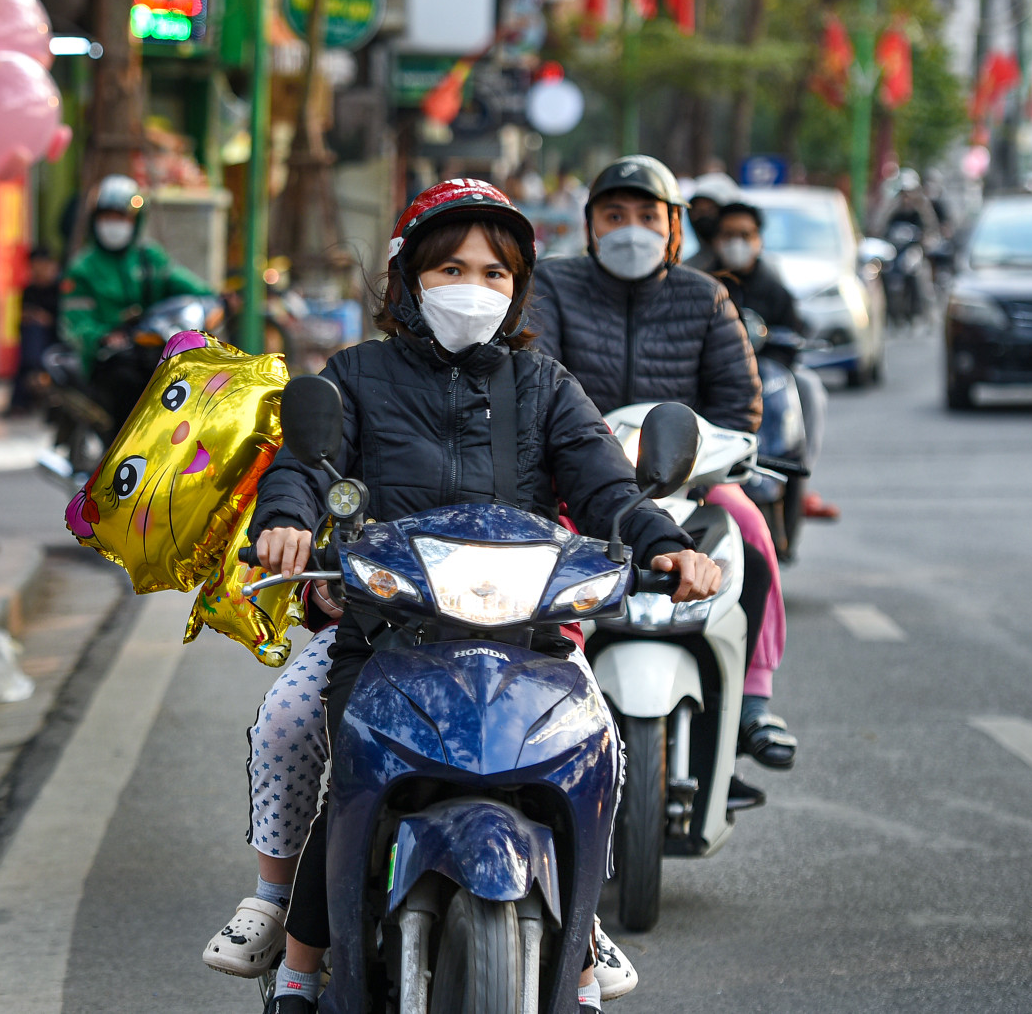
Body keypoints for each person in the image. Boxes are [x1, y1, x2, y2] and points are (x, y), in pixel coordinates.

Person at [217, 179, 723, 1013]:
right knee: (293, 726)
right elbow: (304, 468)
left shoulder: (545, 385)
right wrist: (286, 523)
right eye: (452, 266)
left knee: (600, 744)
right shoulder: (356, 374)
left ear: (518, 286)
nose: (474, 287)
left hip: (526, 634)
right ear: (409, 277)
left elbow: (605, 486)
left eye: (495, 272)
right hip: (386, 629)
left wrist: (665, 542)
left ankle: (581, 923)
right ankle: (290, 937)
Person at [528, 155, 799, 776]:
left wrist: (702, 458)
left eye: (648, 216)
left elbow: (739, 405)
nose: (631, 229)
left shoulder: (706, 297)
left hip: (690, 481)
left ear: (674, 227)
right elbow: (536, 385)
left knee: (751, 539)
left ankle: (754, 697)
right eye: (614, 215)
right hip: (577, 484)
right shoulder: (551, 287)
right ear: (590, 223)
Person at [707, 201, 838, 521]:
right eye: (728, 234)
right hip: (715, 376)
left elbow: (792, 339)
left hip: (769, 374)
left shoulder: (775, 288)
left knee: (808, 388)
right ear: (716, 239)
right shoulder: (703, 285)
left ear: (758, 239)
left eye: (744, 234)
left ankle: (800, 474)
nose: (736, 242)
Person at [59, 174, 211, 424]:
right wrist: (101, 337)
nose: (114, 224)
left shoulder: (150, 258)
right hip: (107, 360)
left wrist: (219, 298)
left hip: (154, 350)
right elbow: (75, 323)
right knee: (127, 391)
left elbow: (188, 286)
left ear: (135, 220)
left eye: (121, 217)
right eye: (107, 216)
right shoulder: (83, 269)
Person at [7, 248, 61, 414]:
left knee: (30, 350)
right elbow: (23, 317)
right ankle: (34, 372)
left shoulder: (59, 289)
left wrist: (45, 319)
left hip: (54, 336)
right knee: (32, 334)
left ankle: (32, 376)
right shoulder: (29, 290)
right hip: (34, 338)